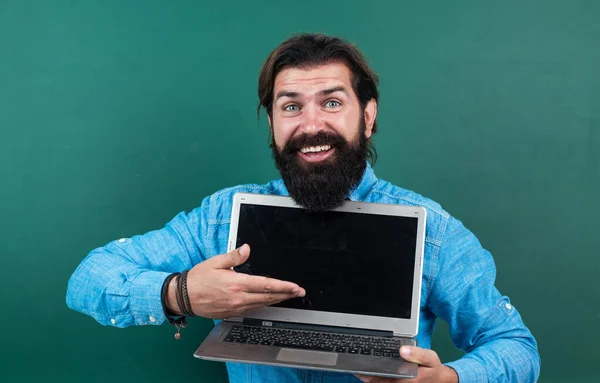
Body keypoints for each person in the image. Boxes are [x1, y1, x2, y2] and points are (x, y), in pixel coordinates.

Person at [66, 33, 540, 383]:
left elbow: (516, 347)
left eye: (332, 102)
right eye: (290, 107)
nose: (311, 125)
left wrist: (449, 380)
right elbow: (88, 279)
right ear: (271, 121)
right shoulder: (220, 218)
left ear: (368, 116)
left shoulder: (433, 230)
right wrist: (181, 293)